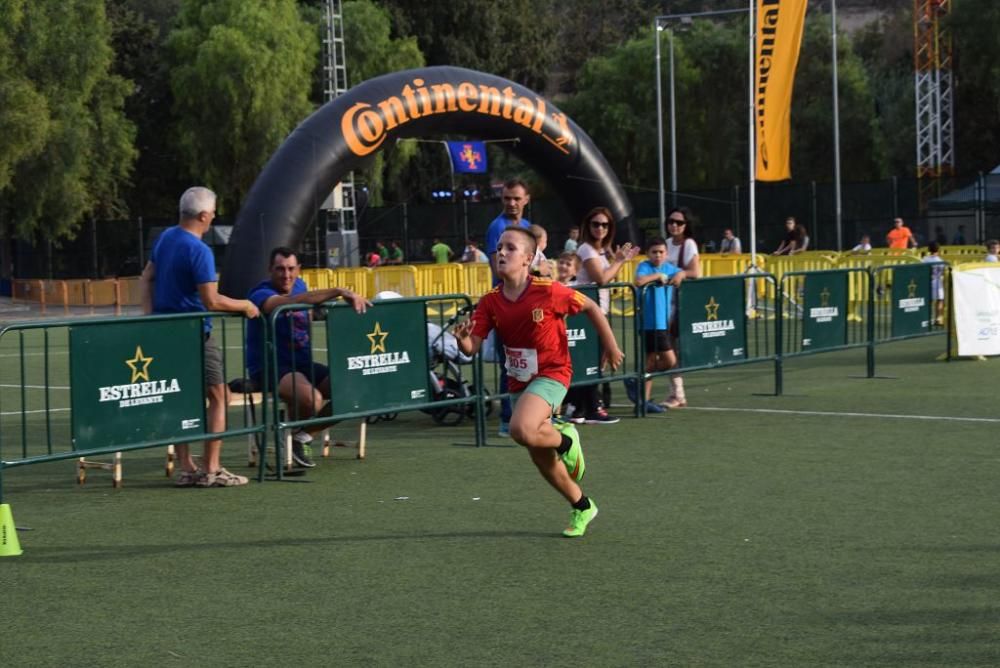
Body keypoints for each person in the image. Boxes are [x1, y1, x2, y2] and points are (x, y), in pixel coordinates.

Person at [454, 226, 624, 537]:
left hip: (553, 373)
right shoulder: (490, 301)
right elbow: (472, 347)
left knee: (521, 429)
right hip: (519, 381)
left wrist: (611, 345)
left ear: (528, 259)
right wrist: (463, 340)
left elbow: (591, 306)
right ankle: (583, 505)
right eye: (499, 248)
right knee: (540, 457)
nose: (501, 252)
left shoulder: (548, 291)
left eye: (510, 248)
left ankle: (566, 438)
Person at [139, 186, 261, 488]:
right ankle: (211, 468)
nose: (214, 217)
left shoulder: (166, 237)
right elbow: (212, 301)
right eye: (213, 212)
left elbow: (146, 277)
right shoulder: (199, 250)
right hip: (194, 333)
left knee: (180, 398)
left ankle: (186, 468)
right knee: (219, 395)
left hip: (166, 332)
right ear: (204, 216)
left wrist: (149, 317)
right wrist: (245, 305)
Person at [245, 247, 370, 468]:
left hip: (302, 364)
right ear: (269, 270)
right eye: (280, 269)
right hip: (271, 366)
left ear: (299, 269)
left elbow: (310, 306)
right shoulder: (260, 293)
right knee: (312, 399)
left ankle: (301, 436)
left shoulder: (300, 285)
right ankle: (293, 438)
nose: (286, 275)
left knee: (356, 390)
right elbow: (286, 303)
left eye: (291, 269)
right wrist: (339, 291)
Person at [573, 206, 638, 425]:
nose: (600, 228)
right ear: (588, 226)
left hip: (599, 309)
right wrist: (619, 261)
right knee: (593, 359)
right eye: (596, 224)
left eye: (605, 225)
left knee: (597, 359)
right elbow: (601, 278)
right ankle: (591, 407)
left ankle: (582, 408)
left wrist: (617, 259)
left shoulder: (600, 250)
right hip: (588, 311)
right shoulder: (586, 250)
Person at [485, 178, 532, 436]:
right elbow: (498, 269)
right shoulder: (497, 227)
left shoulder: (527, 227)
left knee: (533, 362)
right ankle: (507, 418)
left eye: (516, 198)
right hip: (505, 304)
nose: (511, 203)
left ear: (526, 200)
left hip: (528, 303)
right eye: (506, 198)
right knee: (511, 364)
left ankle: (530, 415)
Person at [630, 237, 687, 414]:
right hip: (649, 324)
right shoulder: (645, 267)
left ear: (666, 253)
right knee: (669, 360)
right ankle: (639, 384)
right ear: (647, 253)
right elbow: (639, 281)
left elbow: (686, 272)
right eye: (654, 252)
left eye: (661, 252)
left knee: (651, 362)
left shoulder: (669, 268)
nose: (658, 255)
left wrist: (680, 274)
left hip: (663, 324)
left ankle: (642, 399)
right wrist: (657, 276)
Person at [662, 207, 701, 409]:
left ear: (686, 225)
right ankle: (676, 393)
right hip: (664, 303)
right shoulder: (667, 244)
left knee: (671, 349)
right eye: (671, 221)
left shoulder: (689, 244)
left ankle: (677, 393)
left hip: (679, 305)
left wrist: (682, 274)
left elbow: (696, 271)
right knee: (668, 348)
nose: (674, 225)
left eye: (679, 222)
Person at [921, 241, 946, 326]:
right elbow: (942, 272)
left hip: (927, 281)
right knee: (939, 300)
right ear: (938, 250)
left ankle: (926, 318)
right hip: (937, 282)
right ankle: (938, 318)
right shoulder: (940, 260)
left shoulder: (924, 259)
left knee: (928, 301)